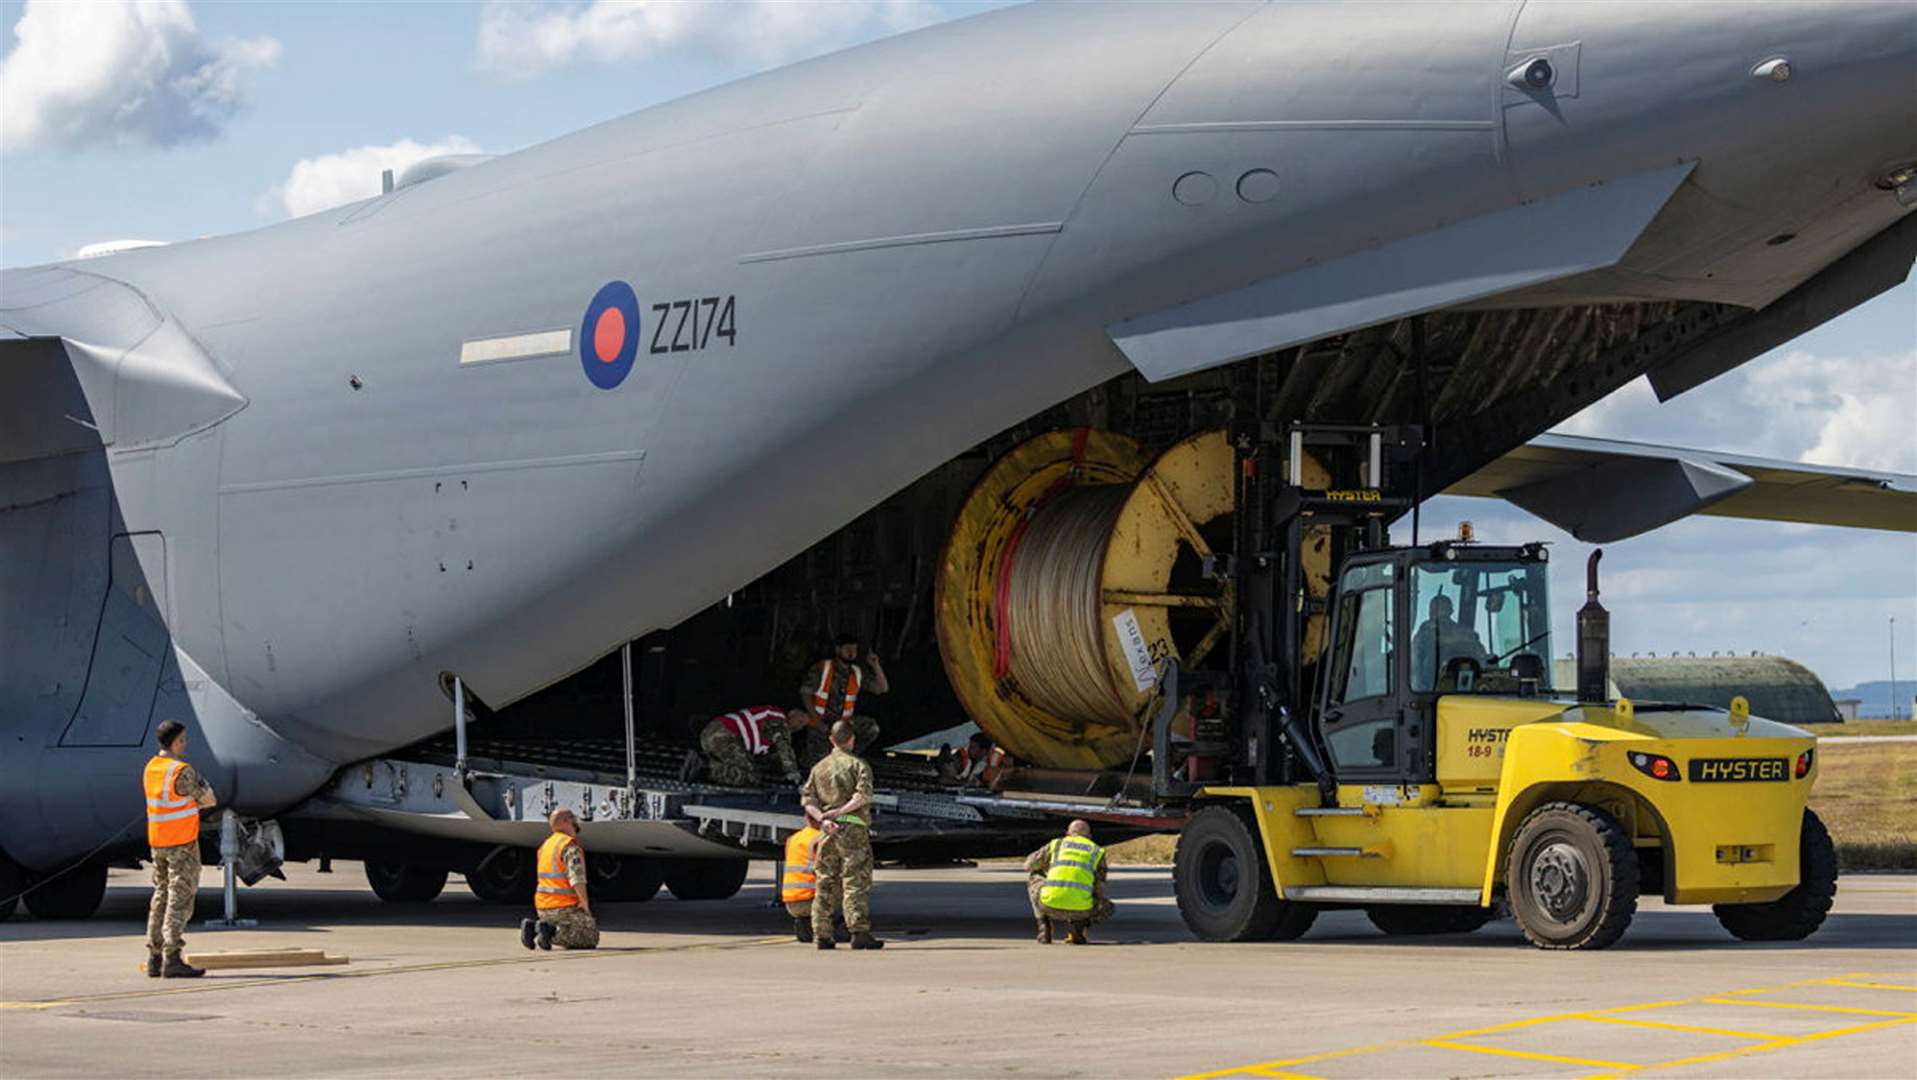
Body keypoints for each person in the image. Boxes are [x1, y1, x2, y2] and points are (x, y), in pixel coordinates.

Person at [143, 719, 216, 978]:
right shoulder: (181, 771)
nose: (185, 744)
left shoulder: (151, 768)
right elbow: (209, 799)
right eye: (183, 740)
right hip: (181, 843)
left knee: (160, 895)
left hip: (158, 841)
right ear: (175, 742)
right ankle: (172, 957)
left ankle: (154, 956)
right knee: (179, 897)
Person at [801, 720, 883, 950]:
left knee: (825, 880)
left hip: (827, 831)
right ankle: (858, 931)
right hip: (852, 829)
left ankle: (822, 934)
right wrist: (841, 811)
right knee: (855, 880)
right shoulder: (858, 765)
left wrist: (823, 819)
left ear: (831, 740)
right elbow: (862, 797)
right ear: (852, 740)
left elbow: (808, 800)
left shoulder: (819, 768)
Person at [799, 634, 886, 762]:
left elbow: (881, 688)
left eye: (854, 650)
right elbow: (805, 693)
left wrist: (875, 665)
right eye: (848, 649)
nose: (851, 653)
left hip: (843, 724)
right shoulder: (822, 668)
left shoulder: (857, 672)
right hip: (821, 723)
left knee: (871, 728)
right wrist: (816, 721)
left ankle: (845, 756)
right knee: (817, 763)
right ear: (838, 649)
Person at [1024, 819, 1113, 945]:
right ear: (1090, 837)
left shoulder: (1057, 844)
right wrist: (1097, 903)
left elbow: (1028, 865)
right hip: (1082, 911)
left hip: (1048, 905)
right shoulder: (1096, 851)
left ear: (1067, 834)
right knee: (1107, 906)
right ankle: (1078, 929)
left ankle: (1044, 928)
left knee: (1034, 875)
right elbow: (1100, 886)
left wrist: (1049, 867)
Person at [521, 808, 599, 951]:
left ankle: (533, 928)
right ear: (565, 821)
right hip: (563, 906)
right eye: (572, 818)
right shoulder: (568, 846)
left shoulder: (546, 845)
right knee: (590, 937)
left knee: (571, 926)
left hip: (542, 907)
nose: (575, 822)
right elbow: (576, 877)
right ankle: (549, 932)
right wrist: (584, 903)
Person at [685, 705, 807, 787]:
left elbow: (772, 757)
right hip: (724, 735)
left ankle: (705, 763)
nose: (799, 727)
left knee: (745, 768)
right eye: (800, 721)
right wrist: (793, 773)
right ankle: (705, 767)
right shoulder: (779, 720)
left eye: (803, 726)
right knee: (750, 776)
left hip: (714, 734)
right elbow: (784, 747)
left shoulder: (771, 721)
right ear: (792, 714)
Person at [1410, 594, 1489, 686]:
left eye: (1437, 609)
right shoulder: (1467, 634)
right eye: (1433, 609)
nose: (1432, 613)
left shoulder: (1426, 630)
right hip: (1463, 688)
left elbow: (1413, 659)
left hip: (1430, 690)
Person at [940, 732, 1011, 789]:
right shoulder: (969, 761)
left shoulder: (994, 762)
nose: (969, 750)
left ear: (983, 751)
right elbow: (943, 779)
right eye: (969, 747)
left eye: (973, 747)